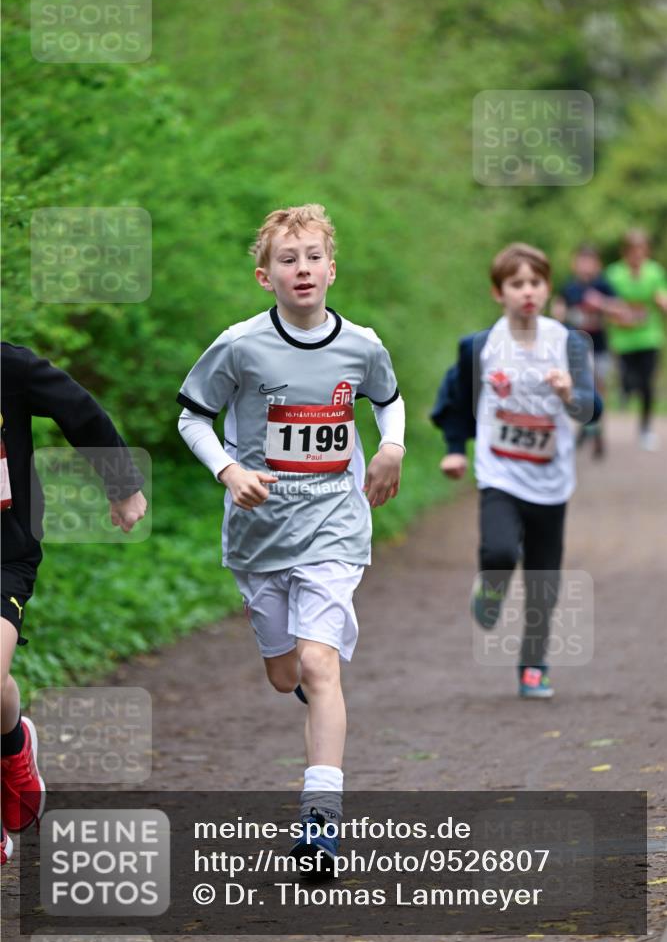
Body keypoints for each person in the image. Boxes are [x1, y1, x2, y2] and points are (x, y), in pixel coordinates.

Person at [177, 204, 405, 874]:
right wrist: (228, 468)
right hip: (259, 536)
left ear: (331, 269)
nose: (301, 269)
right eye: (287, 259)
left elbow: (386, 397)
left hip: (335, 527)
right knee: (286, 676)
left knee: (317, 665)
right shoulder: (240, 345)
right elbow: (193, 414)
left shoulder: (360, 343)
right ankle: (310, 684)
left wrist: (390, 445)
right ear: (263, 276)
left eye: (312, 257)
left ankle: (320, 825)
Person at [431, 243, 601, 700]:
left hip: (552, 479)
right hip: (499, 474)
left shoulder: (568, 343)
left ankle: (533, 664)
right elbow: (455, 400)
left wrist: (570, 395)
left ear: (547, 288)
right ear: (498, 292)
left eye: (536, 283)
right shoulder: (480, 347)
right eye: (516, 284)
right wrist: (454, 449)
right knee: (501, 550)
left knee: (544, 578)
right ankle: (490, 591)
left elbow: (592, 410)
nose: (527, 292)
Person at [1, 343, 147, 864]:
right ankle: (11, 740)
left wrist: (123, 486)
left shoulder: (8, 367)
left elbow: (79, 410)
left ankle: (12, 747)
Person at [551, 244, 623, 458]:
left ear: (597, 264)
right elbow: (558, 312)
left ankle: (596, 431)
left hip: (599, 345)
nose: (586, 266)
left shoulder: (603, 285)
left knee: (599, 388)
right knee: (584, 384)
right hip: (576, 347)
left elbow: (620, 310)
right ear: (575, 263)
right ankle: (588, 427)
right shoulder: (569, 287)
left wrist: (601, 304)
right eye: (582, 261)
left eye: (590, 261)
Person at [605, 229, 667, 452]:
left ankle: (645, 429)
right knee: (629, 380)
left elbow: (661, 296)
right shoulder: (614, 274)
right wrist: (619, 314)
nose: (637, 255)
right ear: (625, 252)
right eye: (633, 251)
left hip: (649, 337)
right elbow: (607, 302)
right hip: (623, 340)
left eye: (642, 251)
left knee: (647, 384)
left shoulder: (654, 271)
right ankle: (624, 392)